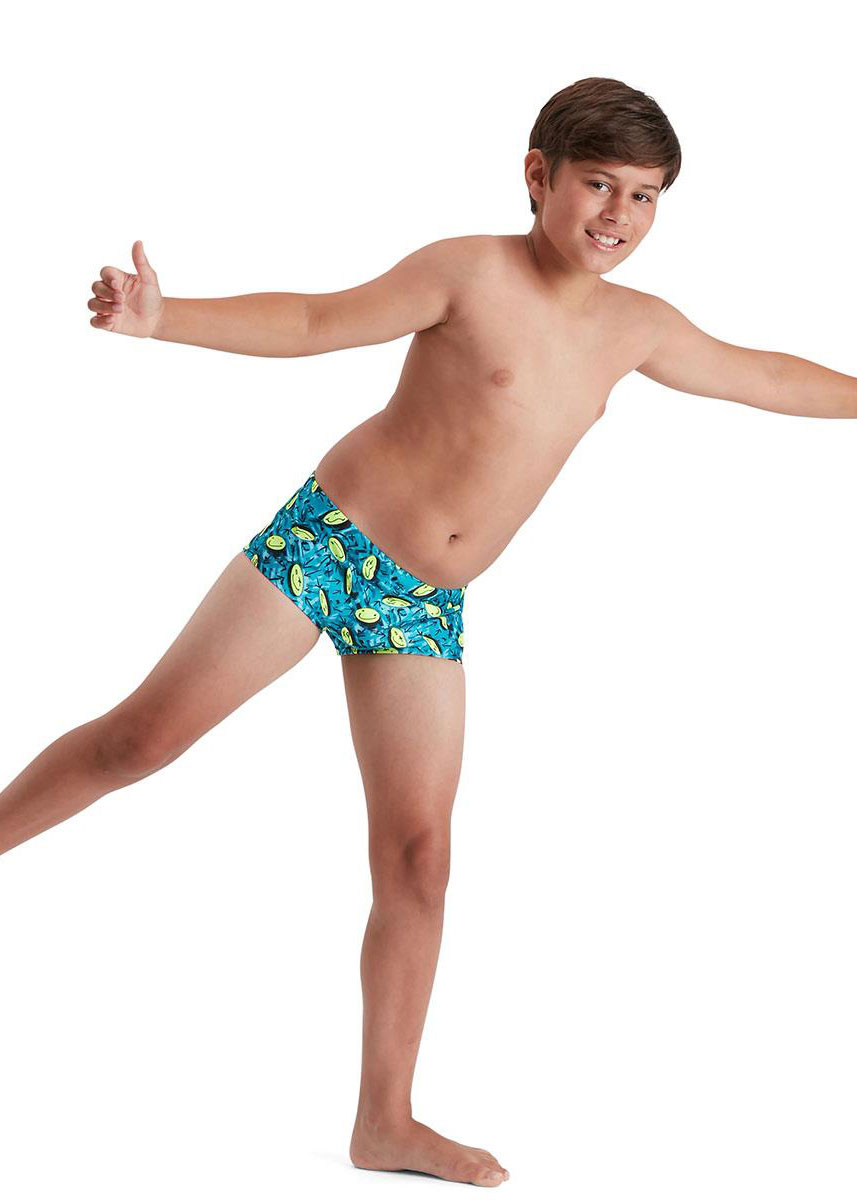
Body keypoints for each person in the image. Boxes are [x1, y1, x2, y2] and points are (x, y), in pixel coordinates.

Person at [3, 75, 856, 1189]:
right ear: (537, 175)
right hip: (331, 546)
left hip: (421, 605)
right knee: (142, 741)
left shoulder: (636, 328)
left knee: (418, 856)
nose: (617, 214)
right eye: (597, 184)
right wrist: (168, 319)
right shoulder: (468, 271)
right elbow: (315, 320)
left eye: (644, 196)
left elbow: (765, 377)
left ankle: (385, 1121)